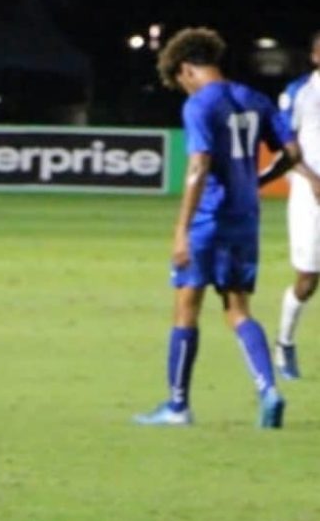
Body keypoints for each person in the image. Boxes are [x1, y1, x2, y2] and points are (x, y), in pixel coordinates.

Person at [134, 26, 307, 429]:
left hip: (208, 220)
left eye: (180, 82)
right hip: (245, 220)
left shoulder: (200, 105)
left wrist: (182, 229)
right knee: (238, 309)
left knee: (186, 308)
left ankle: (178, 406)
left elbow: (198, 166)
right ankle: (268, 389)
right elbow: (292, 152)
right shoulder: (255, 98)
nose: (184, 89)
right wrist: (260, 180)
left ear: (185, 69)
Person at [272, 31, 320, 379]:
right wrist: (313, 179)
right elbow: (285, 148)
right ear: (315, 56)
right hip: (309, 193)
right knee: (308, 278)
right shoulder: (299, 92)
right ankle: (284, 343)